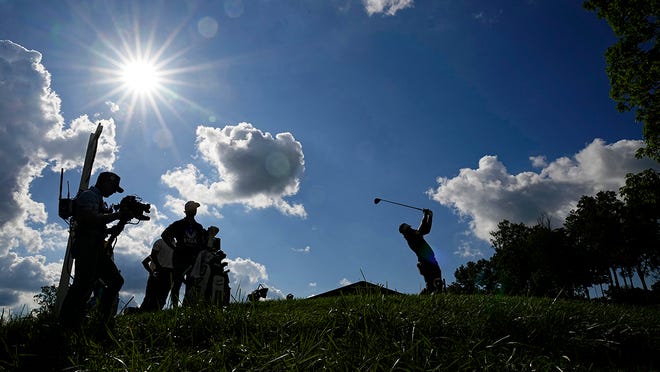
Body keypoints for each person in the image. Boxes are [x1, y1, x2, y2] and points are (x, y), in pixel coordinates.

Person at [59, 171, 129, 328]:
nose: (113, 192)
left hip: (95, 246)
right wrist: (118, 215)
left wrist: (114, 228)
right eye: (113, 187)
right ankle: (65, 323)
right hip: (86, 246)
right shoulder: (89, 196)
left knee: (114, 281)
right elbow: (90, 219)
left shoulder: (98, 199)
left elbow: (97, 226)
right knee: (82, 286)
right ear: (104, 183)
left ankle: (102, 319)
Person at [161, 201, 206, 307]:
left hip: (194, 258)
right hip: (180, 257)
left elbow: (203, 241)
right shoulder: (179, 224)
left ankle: (187, 305)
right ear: (187, 211)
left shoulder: (198, 227)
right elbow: (164, 235)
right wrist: (174, 248)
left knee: (191, 282)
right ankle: (175, 307)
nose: (194, 211)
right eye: (192, 208)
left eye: (195, 209)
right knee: (177, 282)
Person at [399, 208, 443, 294]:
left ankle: (428, 297)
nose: (411, 228)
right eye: (408, 227)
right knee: (434, 283)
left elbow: (426, 230)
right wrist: (425, 215)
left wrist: (429, 216)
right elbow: (422, 230)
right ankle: (426, 297)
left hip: (428, 260)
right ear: (405, 231)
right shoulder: (411, 236)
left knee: (433, 284)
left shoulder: (413, 235)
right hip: (426, 262)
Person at [139, 238, 175, 311]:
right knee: (157, 297)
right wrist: (152, 271)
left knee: (156, 297)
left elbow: (145, 262)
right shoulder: (162, 244)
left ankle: (147, 312)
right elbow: (145, 262)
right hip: (161, 274)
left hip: (164, 274)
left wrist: (151, 272)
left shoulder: (172, 246)